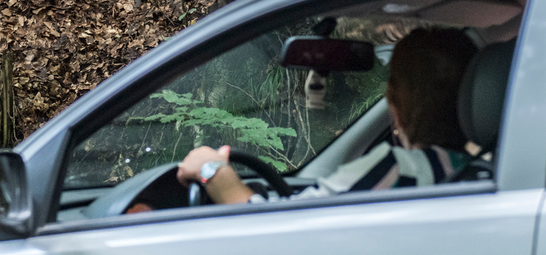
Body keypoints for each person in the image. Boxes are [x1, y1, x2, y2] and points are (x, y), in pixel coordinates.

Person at [176, 28, 478, 204]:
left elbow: (282, 236)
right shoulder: (472, 172)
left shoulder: (402, 171)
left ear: (396, 105)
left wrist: (213, 171)